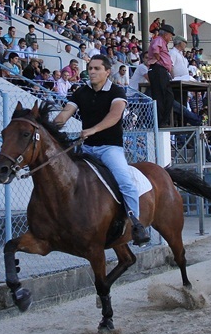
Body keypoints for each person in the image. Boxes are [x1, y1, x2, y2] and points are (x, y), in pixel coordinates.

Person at [53, 55, 151, 246]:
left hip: (109, 148)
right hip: (86, 148)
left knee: (126, 182)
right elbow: (65, 114)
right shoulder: (80, 93)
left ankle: (136, 226)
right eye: (90, 68)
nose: (92, 72)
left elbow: (114, 117)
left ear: (107, 72)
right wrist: (48, 127)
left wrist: (92, 130)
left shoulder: (117, 92)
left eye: (97, 69)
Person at [146, 23, 175, 127]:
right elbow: (155, 49)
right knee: (160, 96)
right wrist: (158, 59)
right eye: (170, 36)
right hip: (158, 69)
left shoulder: (163, 42)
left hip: (162, 70)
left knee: (168, 96)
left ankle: (163, 120)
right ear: (166, 34)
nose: (171, 38)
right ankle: (160, 121)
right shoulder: (159, 39)